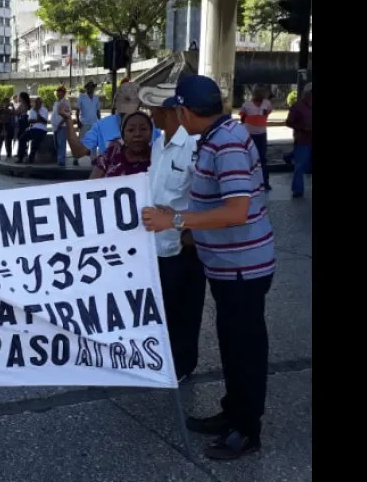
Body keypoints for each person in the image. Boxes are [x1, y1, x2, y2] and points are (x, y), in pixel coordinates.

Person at [142, 75, 276, 461]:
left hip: (242, 268)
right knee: (233, 345)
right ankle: (233, 413)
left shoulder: (228, 143)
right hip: (228, 265)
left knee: (245, 348)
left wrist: (178, 222)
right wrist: (180, 216)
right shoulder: (217, 137)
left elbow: (237, 210)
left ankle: (247, 430)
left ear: (183, 111)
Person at [138, 83, 206, 382]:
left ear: (172, 111)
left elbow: (204, 194)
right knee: (161, 307)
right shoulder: (157, 144)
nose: (150, 115)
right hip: (155, 244)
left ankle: (182, 365)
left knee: (185, 310)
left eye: (155, 109)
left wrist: (190, 232)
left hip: (183, 244)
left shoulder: (195, 146)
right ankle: (161, 358)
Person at [80, 82, 160, 158]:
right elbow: (79, 151)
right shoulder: (101, 125)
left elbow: (160, 153)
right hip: (86, 122)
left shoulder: (152, 125)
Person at [86, 111, 153, 179]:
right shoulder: (112, 153)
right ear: (123, 135)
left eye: (143, 129)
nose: (137, 134)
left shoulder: (157, 157)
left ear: (151, 133)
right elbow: (91, 184)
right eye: (131, 130)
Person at [239, 85, 273, 191]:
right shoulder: (247, 105)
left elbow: (243, 119)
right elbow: (243, 118)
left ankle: (264, 182)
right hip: (251, 134)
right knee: (253, 158)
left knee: (261, 159)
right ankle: (257, 182)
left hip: (259, 134)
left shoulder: (266, 104)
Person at [286, 82, 312, 198]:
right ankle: (297, 190)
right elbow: (289, 122)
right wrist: (303, 127)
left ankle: (289, 156)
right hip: (303, 140)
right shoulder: (297, 106)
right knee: (300, 166)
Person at [74, 81, 101, 166]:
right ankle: (78, 158)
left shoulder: (96, 98)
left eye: (92, 87)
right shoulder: (82, 97)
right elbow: (77, 110)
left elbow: (98, 111)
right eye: (89, 87)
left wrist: (100, 123)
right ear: (86, 88)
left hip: (94, 122)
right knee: (82, 141)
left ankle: (93, 159)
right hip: (84, 122)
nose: (90, 88)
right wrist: (78, 121)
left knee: (93, 141)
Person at [16, 97, 48, 164]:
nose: (37, 104)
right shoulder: (31, 110)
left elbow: (45, 121)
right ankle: (20, 157)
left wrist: (37, 113)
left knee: (35, 142)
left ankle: (31, 158)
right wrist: (38, 120)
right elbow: (30, 120)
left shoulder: (45, 110)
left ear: (41, 103)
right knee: (22, 139)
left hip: (42, 130)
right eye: (36, 103)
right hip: (33, 129)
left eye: (39, 103)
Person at [51, 86, 71, 166]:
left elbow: (68, 114)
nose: (58, 93)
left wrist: (60, 123)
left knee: (61, 143)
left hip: (62, 126)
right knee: (56, 144)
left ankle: (61, 161)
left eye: (60, 91)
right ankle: (59, 159)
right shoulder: (56, 102)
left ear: (63, 93)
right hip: (55, 126)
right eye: (57, 91)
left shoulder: (66, 102)